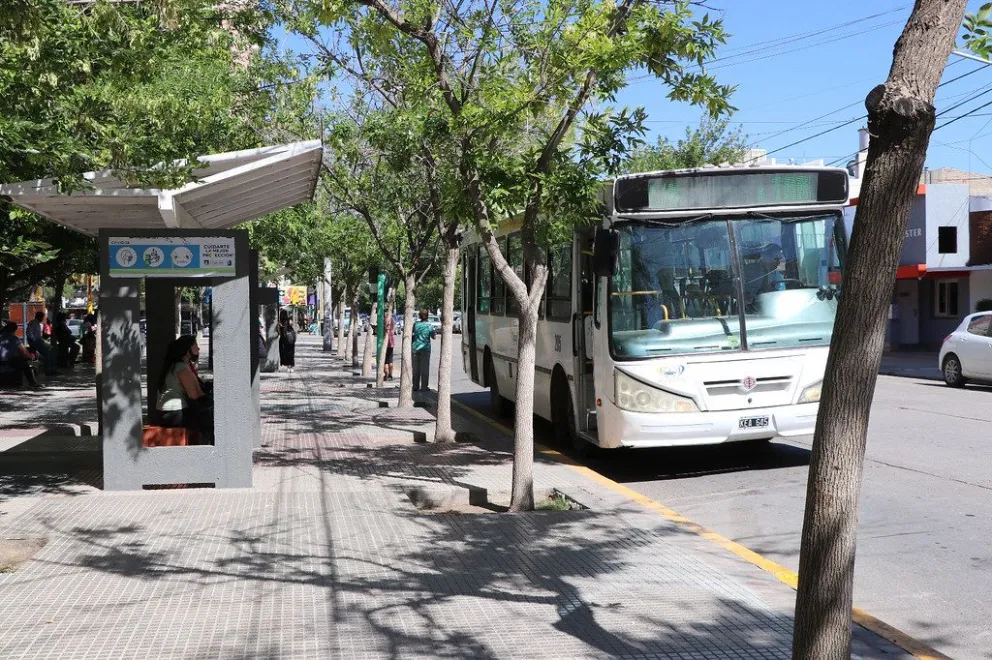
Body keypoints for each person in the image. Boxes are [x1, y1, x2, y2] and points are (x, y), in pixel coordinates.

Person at [156, 335, 212, 438]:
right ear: (188, 350)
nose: (199, 349)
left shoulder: (175, 365)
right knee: (212, 421)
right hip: (175, 414)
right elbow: (194, 395)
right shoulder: (181, 367)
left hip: (168, 413)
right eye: (196, 346)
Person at [0, 321, 43, 389]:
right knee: (23, 363)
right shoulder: (14, 338)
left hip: (1, 361)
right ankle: (32, 382)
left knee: (20, 359)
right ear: (14, 330)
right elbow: (24, 351)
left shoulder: (1, 336)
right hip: (9, 361)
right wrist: (31, 357)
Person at [411, 308, 436, 392]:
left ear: (419, 316)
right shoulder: (429, 325)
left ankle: (415, 386)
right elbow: (434, 337)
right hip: (425, 349)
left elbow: (412, 333)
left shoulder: (416, 324)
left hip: (415, 348)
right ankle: (424, 386)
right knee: (424, 368)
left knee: (415, 369)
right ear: (427, 316)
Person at [26, 311, 57, 376]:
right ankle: (49, 371)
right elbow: (29, 334)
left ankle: (52, 369)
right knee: (48, 353)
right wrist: (34, 341)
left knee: (52, 350)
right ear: (39, 317)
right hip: (36, 342)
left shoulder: (38, 324)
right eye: (42, 317)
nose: (43, 319)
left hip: (39, 341)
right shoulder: (33, 323)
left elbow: (37, 335)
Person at [384, 313, 395, 381]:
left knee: (385, 361)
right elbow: (393, 330)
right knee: (390, 360)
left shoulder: (382, 321)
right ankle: (390, 374)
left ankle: (386, 373)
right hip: (391, 343)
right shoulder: (391, 320)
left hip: (384, 343)